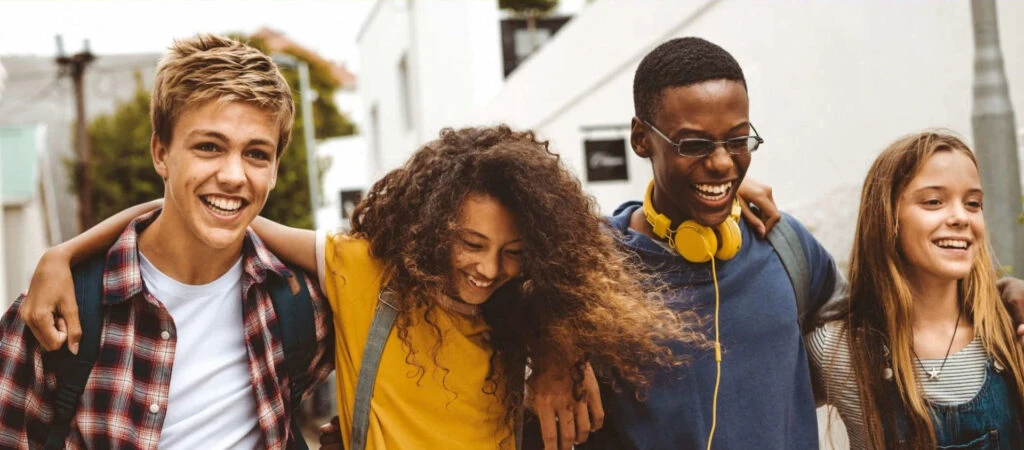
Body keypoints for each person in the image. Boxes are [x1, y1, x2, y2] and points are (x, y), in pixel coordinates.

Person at [22, 123, 795, 449]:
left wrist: (560, 348)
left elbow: (615, 253)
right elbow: (217, 213)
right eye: (469, 243)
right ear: (429, 226)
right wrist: (66, 250)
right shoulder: (364, 272)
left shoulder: (533, 311)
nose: (486, 268)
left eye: (515, 253)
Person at [0, 34, 334, 448]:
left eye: (256, 154)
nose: (233, 175)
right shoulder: (60, 311)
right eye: (209, 147)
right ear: (161, 153)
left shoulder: (302, 306)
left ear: (275, 169)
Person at [807, 131, 1024, 449]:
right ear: (887, 217)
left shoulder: (1010, 333)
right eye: (934, 202)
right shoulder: (838, 349)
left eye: (973, 203)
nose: (961, 217)